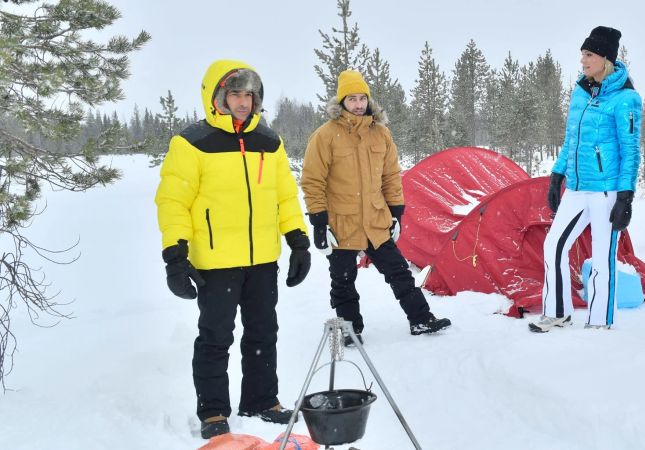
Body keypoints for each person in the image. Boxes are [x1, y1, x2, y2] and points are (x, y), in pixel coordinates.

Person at [155, 60, 311, 439]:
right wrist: (175, 256)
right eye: (235, 94)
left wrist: (298, 240)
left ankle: (262, 400)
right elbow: (173, 201)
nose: (243, 102)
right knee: (216, 337)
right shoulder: (192, 143)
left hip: (261, 260)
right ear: (217, 97)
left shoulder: (269, 141)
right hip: (215, 262)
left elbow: (284, 196)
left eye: (249, 94)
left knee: (263, 332)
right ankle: (213, 413)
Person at [301, 70, 451, 346]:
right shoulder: (325, 136)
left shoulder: (380, 134)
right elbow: (312, 181)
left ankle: (420, 319)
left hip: (376, 221)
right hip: (342, 224)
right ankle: (350, 330)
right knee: (343, 281)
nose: (358, 104)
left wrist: (396, 214)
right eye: (352, 99)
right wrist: (319, 223)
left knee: (399, 273)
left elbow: (391, 177)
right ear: (341, 102)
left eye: (362, 98)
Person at [529, 26, 642, 333]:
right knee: (553, 245)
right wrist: (557, 174)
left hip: (606, 191)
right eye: (582, 54)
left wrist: (625, 196)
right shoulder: (580, 92)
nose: (583, 60)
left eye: (588, 55)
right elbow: (571, 140)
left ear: (605, 58)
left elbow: (630, 151)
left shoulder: (625, 98)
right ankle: (557, 312)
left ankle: (599, 322)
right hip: (577, 188)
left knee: (602, 258)